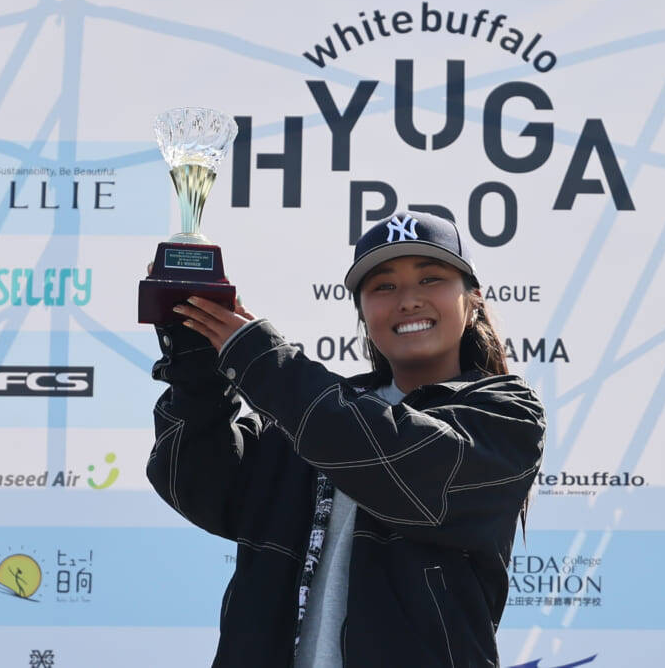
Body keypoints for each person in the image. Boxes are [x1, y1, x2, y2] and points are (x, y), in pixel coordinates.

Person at [146, 211, 545, 668]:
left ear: (473, 300)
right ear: (362, 312)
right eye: (384, 286)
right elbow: (194, 483)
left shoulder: (508, 412)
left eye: (431, 278)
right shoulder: (308, 417)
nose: (408, 300)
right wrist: (197, 366)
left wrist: (262, 359)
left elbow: (396, 463)